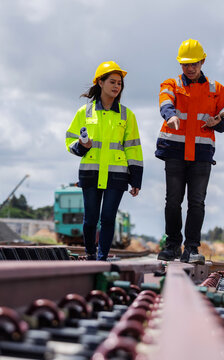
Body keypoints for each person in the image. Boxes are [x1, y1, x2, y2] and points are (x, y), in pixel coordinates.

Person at [156, 39, 224, 264]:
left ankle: (191, 248)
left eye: (194, 64)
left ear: (202, 61)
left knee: (197, 202)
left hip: (200, 155)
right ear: (180, 64)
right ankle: (172, 246)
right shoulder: (171, 84)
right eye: (185, 64)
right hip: (175, 152)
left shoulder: (217, 90)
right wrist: (170, 115)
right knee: (173, 201)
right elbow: (164, 101)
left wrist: (216, 122)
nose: (190, 68)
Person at [65, 61, 143, 261]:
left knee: (108, 218)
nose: (117, 86)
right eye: (112, 82)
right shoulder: (85, 112)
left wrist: (136, 179)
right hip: (91, 172)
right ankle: (91, 253)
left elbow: (133, 148)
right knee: (91, 220)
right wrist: (83, 145)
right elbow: (70, 139)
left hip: (117, 175)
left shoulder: (127, 115)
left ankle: (102, 259)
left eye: (119, 83)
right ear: (100, 82)